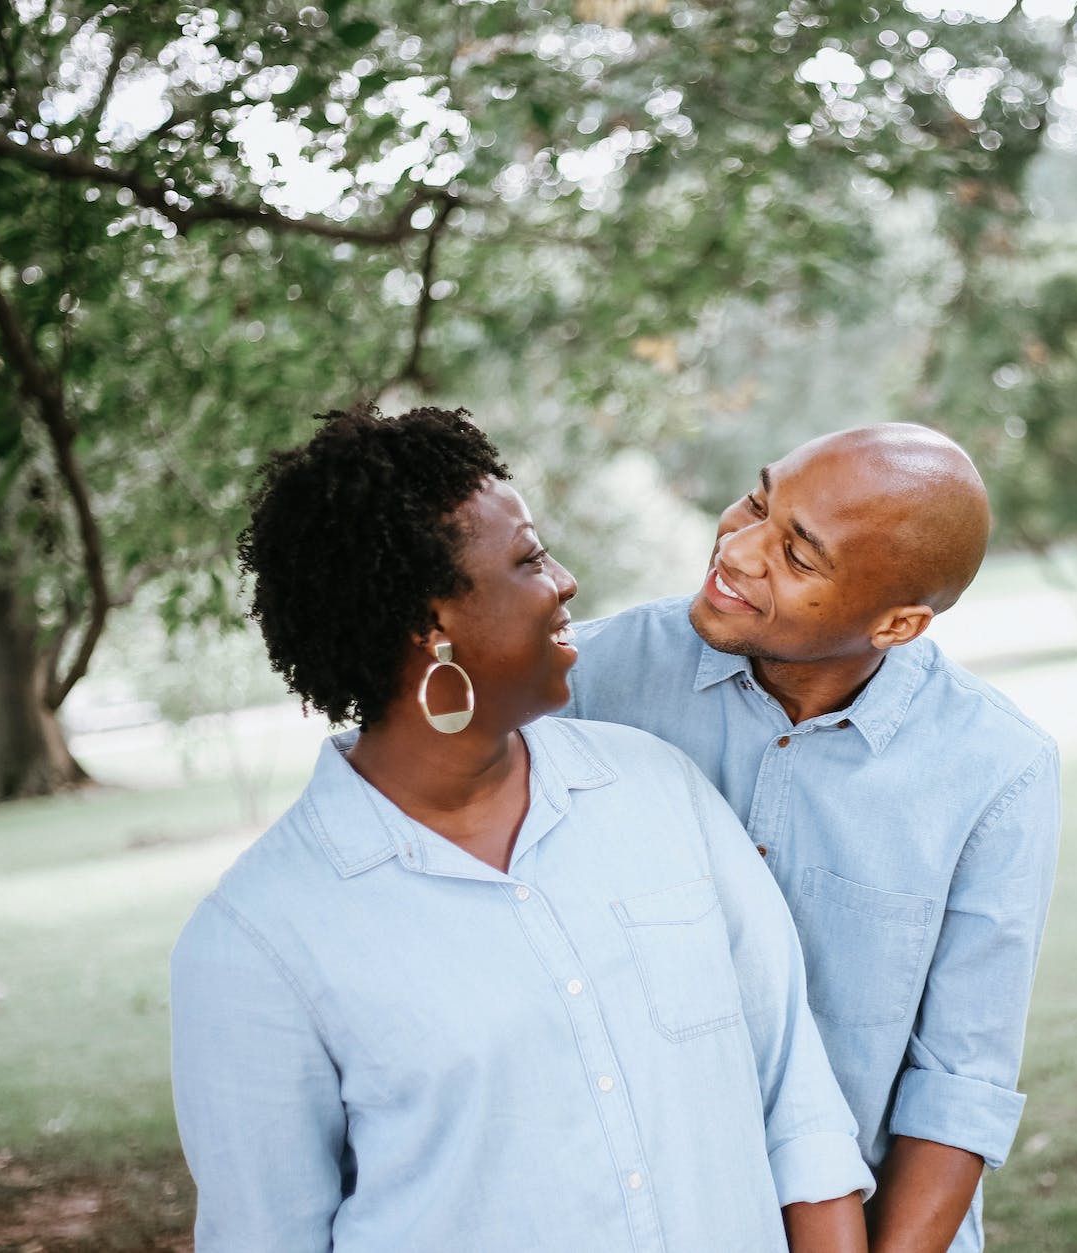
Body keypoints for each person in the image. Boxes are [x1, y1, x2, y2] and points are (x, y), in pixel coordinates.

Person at [169, 406, 872, 1252]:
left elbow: (800, 1116)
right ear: (433, 626)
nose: (566, 579)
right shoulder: (258, 940)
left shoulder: (660, 791)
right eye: (530, 557)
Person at [565, 423, 1060, 1253]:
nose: (740, 548)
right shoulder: (583, 685)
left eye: (798, 557)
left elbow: (958, 1084)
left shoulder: (998, 770)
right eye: (759, 502)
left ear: (898, 625)